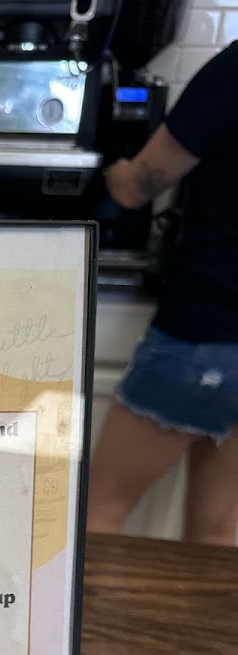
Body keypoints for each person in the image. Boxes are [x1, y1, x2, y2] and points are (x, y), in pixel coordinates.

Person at [87, 42, 238, 545]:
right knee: (216, 535)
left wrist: (113, 170)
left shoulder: (234, 68)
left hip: (206, 329)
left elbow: (136, 188)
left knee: (98, 515)